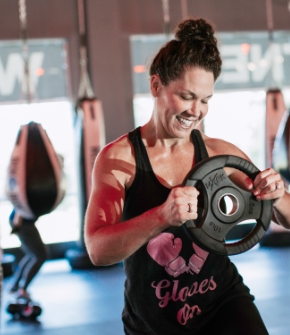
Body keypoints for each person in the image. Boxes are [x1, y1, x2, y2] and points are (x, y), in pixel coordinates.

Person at [84, 17, 290, 335]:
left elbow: (285, 214)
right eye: (187, 96)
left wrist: (277, 196)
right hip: (152, 322)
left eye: (205, 100)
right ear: (156, 86)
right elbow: (97, 249)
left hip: (224, 303)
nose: (196, 111)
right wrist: (162, 216)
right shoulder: (119, 159)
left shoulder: (219, 153)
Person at [8, 209, 47, 300]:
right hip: (23, 223)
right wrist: (17, 223)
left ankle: (16, 286)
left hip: (23, 222)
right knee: (40, 256)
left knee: (32, 254)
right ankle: (22, 289)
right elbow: (22, 205)